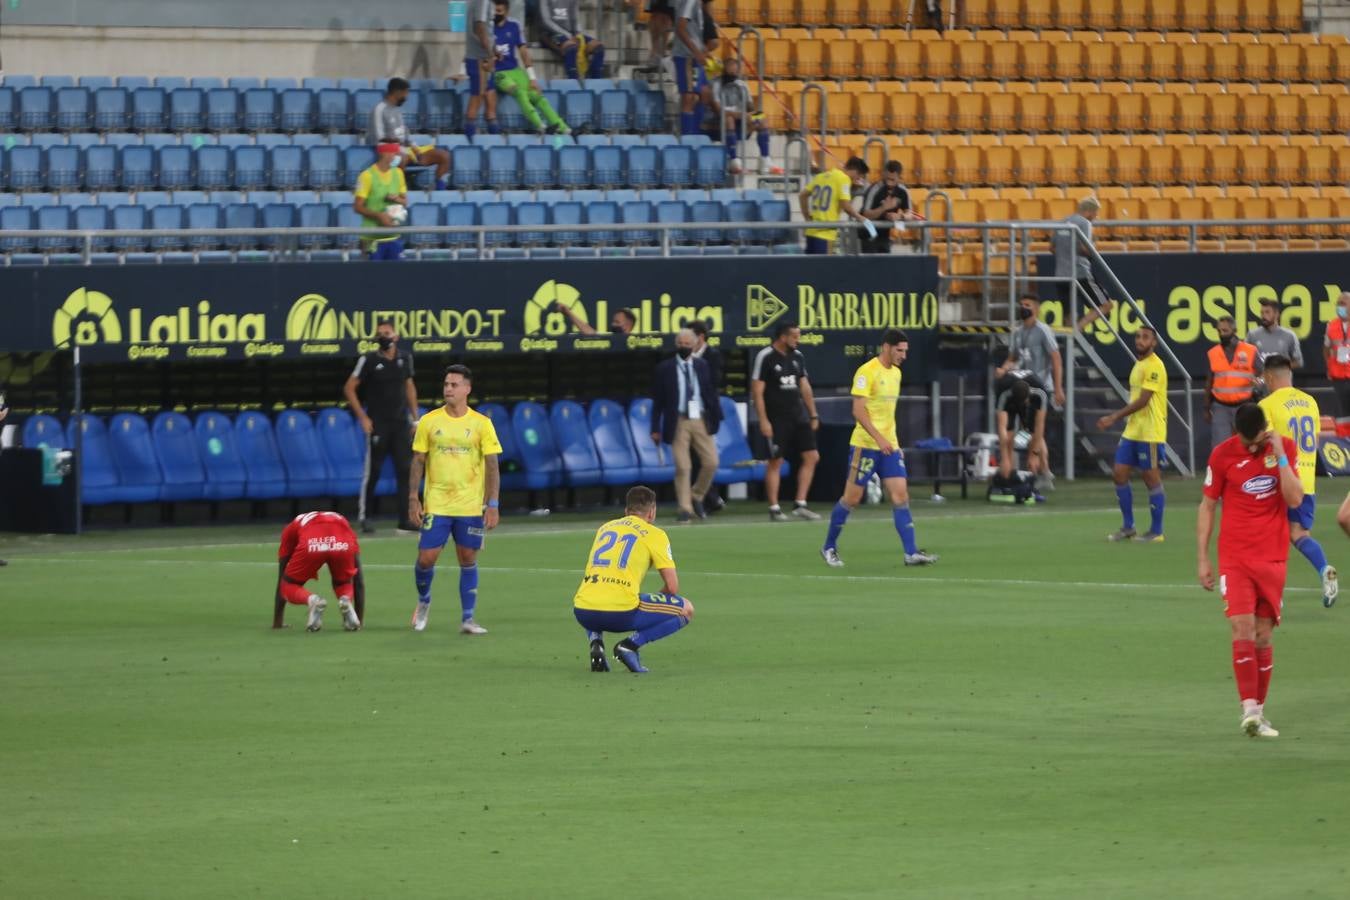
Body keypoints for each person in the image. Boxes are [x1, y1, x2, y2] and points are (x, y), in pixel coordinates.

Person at [1197, 402, 1303, 738]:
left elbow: (1295, 498)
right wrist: (1203, 557)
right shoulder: (1222, 455)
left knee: (1263, 634)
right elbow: (1208, 504)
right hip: (1235, 556)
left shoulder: (1283, 447)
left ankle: (1259, 710)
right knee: (1241, 628)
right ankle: (1249, 711)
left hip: (1272, 556)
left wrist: (1279, 455)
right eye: (1247, 443)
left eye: (1257, 441)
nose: (1252, 447)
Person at [821, 329, 938, 568]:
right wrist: (879, 438)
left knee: (900, 495)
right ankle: (829, 546)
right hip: (865, 445)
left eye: (906, 351)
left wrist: (894, 444)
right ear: (886, 347)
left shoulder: (895, 373)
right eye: (899, 350)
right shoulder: (866, 372)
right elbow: (858, 411)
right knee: (851, 499)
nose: (903, 355)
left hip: (888, 447)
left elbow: (888, 415)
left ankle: (910, 552)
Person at [408, 365, 502, 635]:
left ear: (467, 389)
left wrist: (492, 504)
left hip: (469, 505)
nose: (448, 388)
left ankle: (468, 618)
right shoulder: (429, 421)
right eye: (446, 384)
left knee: (468, 557)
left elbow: (492, 465)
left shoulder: (481, 424)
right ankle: (424, 601)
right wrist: (413, 499)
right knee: (426, 558)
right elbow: (418, 461)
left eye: (454, 384)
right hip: (437, 503)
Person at [572, 485, 694, 674]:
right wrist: (652, 602)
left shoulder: (605, 528)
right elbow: (672, 587)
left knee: (596, 592)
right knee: (686, 609)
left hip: (582, 611)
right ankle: (630, 645)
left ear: (626, 510)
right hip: (620, 613)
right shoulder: (655, 534)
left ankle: (596, 642)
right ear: (652, 512)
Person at [1259, 354, 1338, 607]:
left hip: (1281, 479)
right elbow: (1313, 443)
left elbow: (1269, 442)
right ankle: (1325, 569)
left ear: (1270, 377)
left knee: (1269, 534)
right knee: (1299, 533)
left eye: (1264, 377)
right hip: (1306, 481)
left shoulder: (1268, 404)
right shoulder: (1310, 402)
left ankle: (1272, 595)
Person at [343, 318, 419, 535]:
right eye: (380, 333)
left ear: (396, 336)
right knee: (373, 471)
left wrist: (415, 419)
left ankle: (405, 519)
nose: (383, 337)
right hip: (378, 424)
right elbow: (349, 388)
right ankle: (365, 517)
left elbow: (410, 387)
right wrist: (363, 418)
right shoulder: (368, 360)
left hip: (400, 424)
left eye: (386, 333)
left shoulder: (405, 359)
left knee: (405, 470)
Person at [1097, 325, 1167, 543]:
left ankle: (1156, 530)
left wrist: (1114, 417)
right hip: (1133, 430)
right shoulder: (1139, 364)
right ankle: (1128, 527)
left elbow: (1144, 400)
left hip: (1151, 432)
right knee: (1119, 473)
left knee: (1151, 478)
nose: (1140, 340)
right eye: (1138, 336)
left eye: (1145, 337)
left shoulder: (1155, 366)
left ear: (1154, 343)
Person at [750, 321, 822, 522]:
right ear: (783, 337)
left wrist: (813, 414)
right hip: (776, 419)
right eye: (795, 337)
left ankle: (800, 504)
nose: (798, 341)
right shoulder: (766, 357)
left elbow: (804, 386)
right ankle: (774, 507)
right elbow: (757, 391)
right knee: (776, 461)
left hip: (798, 416)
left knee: (812, 456)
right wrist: (763, 421)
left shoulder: (798, 357)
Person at [650, 328, 721, 524]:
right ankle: (685, 508)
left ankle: (697, 495)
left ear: (694, 345)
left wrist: (715, 418)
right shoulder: (665, 368)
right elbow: (658, 401)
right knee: (683, 466)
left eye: (687, 344)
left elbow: (709, 393)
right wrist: (655, 427)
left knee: (711, 462)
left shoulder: (702, 365)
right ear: (676, 345)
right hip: (678, 420)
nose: (684, 347)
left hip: (699, 418)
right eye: (681, 344)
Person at [995, 296, 1063, 490]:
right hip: (1020, 387)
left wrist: (1058, 387)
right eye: (1021, 305)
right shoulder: (1018, 332)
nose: (1023, 308)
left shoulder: (1043, 331)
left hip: (1040, 388)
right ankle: (1037, 469)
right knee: (1026, 431)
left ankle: (1044, 470)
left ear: (1037, 309)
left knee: (1035, 430)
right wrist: (1003, 368)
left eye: (1028, 305)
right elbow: (1013, 358)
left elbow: (1056, 359)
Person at [273, 511, 365, 632]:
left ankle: (312, 600)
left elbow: (282, 578)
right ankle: (346, 599)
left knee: (287, 585)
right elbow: (358, 580)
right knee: (343, 583)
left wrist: (277, 622)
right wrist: (359, 620)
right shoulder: (343, 522)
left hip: (312, 542)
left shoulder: (290, 529)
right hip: (342, 541)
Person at [492, 0, 572, 139]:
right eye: (494, 11)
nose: (496, 14)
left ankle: (563, 128)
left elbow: (523, 52)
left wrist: (532, 78)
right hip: (498, 73)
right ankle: (541, 126)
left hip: (515, 70)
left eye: (499, 11)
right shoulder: (487, 28)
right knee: (519, 92)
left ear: (506, 11)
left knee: (537, 96)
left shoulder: (514, 26)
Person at [368, 77, 450, 190]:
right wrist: (396, 149)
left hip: (405, 151)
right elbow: (378, 139)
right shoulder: (379, 109)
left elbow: (405, 136)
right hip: (387, 152)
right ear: (397, 92)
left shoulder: (397, 110)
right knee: (402, 158)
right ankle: (398, 191)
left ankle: (440, 190)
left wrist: (415, 147)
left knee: (443, 156)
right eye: (405, 93)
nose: (406, 97)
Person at [704, 57, 779, 175]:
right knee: (729, 119)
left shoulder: (742, 84)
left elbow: (750, 106)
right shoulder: (716, 84)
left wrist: (751, 114)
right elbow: (718, 110)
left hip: (741, 118)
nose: (733, 74)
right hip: (719, 121)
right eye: (730, 71)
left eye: (735, 71)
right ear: (724, 70)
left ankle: (765, 159)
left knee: (761, 117)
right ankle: (734, 160)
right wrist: (741, 115)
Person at [1204, 315, 1260, 449]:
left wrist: (1259, 382)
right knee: (1220, 446)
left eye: (1225, 331)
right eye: (1219, 331)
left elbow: (1263, 372)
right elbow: (1209, 382)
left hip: (1244, 405)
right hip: (1220, 406)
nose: (1222, 334)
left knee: (1248, 444)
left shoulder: (1250, 350)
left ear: (1234, 330)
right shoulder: (1213, 353)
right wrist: (1206, 408)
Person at [800, 157, 870, 255]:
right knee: (823, 268)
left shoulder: (820, 176)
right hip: (826, 233)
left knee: (810, 268)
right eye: (859, 176)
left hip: (811, 230)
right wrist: (860, 217)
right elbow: (845, 205)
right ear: (855, 171)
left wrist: (807, 217)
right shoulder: (844, 179)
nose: (858, 179)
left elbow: (802, 195)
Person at [993, 374, 1048, 500]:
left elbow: (1040, 426)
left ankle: (1040, 475)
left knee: (1032, 432)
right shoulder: (1003, 392)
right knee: (1009, 435)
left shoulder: (1040, 392)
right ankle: (1008, 478)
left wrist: (1034, 455)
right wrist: (1005, 457)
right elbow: (1002, 428)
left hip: (1031, 398)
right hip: (1010, 400)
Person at [352, 143, 408, 260]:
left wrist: (396, 198)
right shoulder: (366, 176)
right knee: (372, 276)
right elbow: (357, 207)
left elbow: (405, 202)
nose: (399, 157)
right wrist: (379, 216)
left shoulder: (398, 173)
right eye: (396, 154)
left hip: (393, 236)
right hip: (372, 238)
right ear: (385, 154)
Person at [1053, 196, 1108, 309]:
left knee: (1068, 314)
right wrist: (1093, 252)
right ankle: (1079, 326)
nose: (1096, 217)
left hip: (1060, 274)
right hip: (1080, 273)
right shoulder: (1084, 223)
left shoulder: (1062, 222)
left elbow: (1051, 248)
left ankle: (1075, 327)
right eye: (1095, 213)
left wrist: (1065, 254)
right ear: (1090, 211)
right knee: (1106, 305)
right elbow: (1084, 248)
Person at [857, 160, 914, 254]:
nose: (889, 183)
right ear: (883, 174)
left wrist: (900, 216)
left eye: (893, 180)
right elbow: (866, 214)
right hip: (868, 234)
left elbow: (910, 214)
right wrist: (883, 208)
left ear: (899, 178)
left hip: (884, 235)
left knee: (884, 264)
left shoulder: (902, 191)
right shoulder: (874, 189)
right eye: (887, 179)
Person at [539, 0, 605, 80]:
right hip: (551, 33)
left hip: (571, 33)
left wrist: (579, 35)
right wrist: (568, 35)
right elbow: (546, 22)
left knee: (598, 47)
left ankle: (594, 81)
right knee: (571, 48)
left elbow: (575, 20)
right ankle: (573, 81)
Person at [463, 0, 499, 139]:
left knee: (490, 101)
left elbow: (488, 30)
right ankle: (469, 142)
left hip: (484, 57)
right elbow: (479, 26)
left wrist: (494, 50)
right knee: (477, 99)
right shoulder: (482, 1)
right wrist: (490, 54)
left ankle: (495, 144)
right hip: (480, 59)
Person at [671, 0, 708, 137]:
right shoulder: (689, 1)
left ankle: (694, 133)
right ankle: (687, 138)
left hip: (693, 55)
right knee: (689, 97)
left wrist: (702, 49)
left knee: (701, 94)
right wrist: (696, 52)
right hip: (686, 55)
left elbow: (693, 31)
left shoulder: (697, 3)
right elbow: (680, 28)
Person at [1246, 298, 1303, 370]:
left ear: (1276, 314)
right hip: (1260, 379)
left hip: (1281, 379)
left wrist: (1280, 368)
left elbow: (1298, 362)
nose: (1263, 316)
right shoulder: (1252, 335)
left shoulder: (1289, 335)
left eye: (1267, 312)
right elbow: (1245, 359)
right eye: (1262, 313)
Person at [1322, 292, 1350, 438]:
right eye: (1338, 303)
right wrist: (1329, 366)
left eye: (1343, 303)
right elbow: (1326, 349)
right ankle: (1343, 440)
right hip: (1338, 377)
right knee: (1341, 414)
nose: (1340, 307)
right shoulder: (1331, 325)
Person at [639, 0, 673, 73]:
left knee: (663, 16)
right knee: (657, 16)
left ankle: (660, 55)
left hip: (665, 9)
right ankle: (656, 55)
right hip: (659, 8)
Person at [558, 305, 636, 335]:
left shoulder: (638, 344)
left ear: (627, 325)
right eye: (613, 322)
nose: (613, 325)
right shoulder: (610, 339)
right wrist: (568, 313)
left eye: (617, 322)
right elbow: (589, 332)